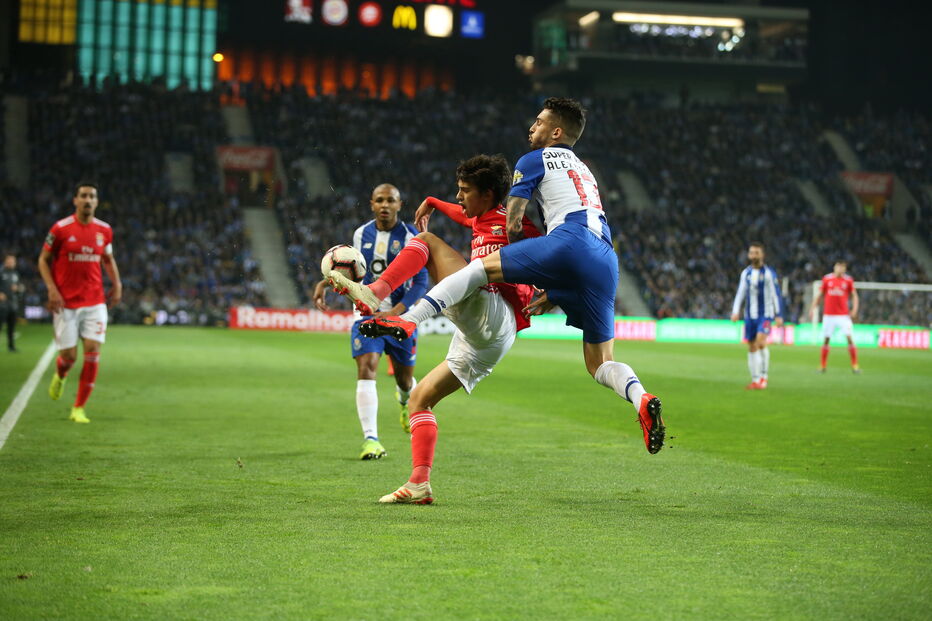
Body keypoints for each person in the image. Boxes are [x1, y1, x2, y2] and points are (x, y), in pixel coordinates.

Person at [352, 97, 666, 458]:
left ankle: (409, 320)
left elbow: (513, 220)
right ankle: (640, 397)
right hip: (605, 257)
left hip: (567, 239)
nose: (532, 128)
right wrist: (553, 289)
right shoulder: (585, 169)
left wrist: (517, 251)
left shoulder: (533, 159)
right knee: (600, 363)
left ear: (556, 132)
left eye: (539, 122)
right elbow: (475, 215)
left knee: (480, 268)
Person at [328, 154, 543, 504]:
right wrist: (433, 202)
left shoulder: (515, 225)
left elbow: (554, 256)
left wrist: (553, 291)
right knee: (419, 400)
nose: (458, 197)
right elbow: (461, 213)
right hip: (484, 339)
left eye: (464, 190)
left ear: (487, 194)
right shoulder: (481, 217)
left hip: (496, 310)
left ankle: (377, 294)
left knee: (426, 241)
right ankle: (419, 483)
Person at [312, 183, 427, 460]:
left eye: (390, 200)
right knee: (367, 369)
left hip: (401, 318)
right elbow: (353, 271)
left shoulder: (412, 236)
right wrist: (325, 283)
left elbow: (421, 282)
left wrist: (395, 312)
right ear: (372, 204)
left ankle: (404, 401)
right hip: (365, 314)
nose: (385, 205)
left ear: (399, 205)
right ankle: (371, 440)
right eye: (379, 200)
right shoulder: (361, 234)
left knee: (405, 380)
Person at [38, 182, 122, 423]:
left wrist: (117, 283)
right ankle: (61, 374)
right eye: (83, 196)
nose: (88, 200)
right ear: (75, 200)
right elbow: (43, 260)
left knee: (93, 351)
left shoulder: (104, 230)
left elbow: (108, 259)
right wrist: (52, 289)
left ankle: (78, 408)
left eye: (92, 196)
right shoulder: (61, 229)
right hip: (66, 303)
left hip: (95, 301)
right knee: (69, 357)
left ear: (97, 201)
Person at [730, 242, 784, 390]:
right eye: (751, 253)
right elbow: (740, 292)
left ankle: (763, 377)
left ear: (762, 255)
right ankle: (755, 380)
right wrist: (735, 311)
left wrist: (778, 314)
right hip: (749, 316)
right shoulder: (746, 273)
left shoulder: (769, 273)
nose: (753, 255)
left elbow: (776, 294)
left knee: (760, 342)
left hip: (765, 314)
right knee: (752, 345)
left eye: (756, 253)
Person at [809, 260, 860, 373]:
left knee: (850, 338)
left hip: (843, 316)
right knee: (826, 339)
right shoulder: (827, 279)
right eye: (838, 267)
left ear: (845, 269)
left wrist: (854, 309)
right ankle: (822, 366)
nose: (840, 269)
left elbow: (854, 296)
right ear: (834, 267)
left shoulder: (848, 280)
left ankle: (855, 366)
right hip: (829, 315)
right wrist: (812, 308)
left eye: (842, 267)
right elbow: (819, 295)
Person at [1, 253, 24, 353]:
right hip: (2, 304)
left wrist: (18, 288)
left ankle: (11, 347)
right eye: (9, 260)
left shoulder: (15, 274)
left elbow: (21, 288)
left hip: (13, 304)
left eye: (13, 261)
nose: (11, 262)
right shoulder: (1, 272)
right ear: (5, 261)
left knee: (11, 326)